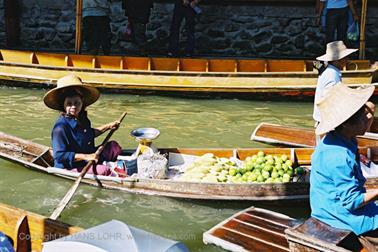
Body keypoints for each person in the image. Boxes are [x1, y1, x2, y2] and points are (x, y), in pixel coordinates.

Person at [311, 83, 378, 251]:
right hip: (338, 216)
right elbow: (352, 202)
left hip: (328, 205)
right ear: (347, 124)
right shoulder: (338, 156)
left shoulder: (340, 138)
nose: (368, 121)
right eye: (363, 119)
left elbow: (370, 107)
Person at [43, 75, 124, 176]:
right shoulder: (60, 128)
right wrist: (86, 156)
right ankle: (113, 172)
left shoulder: (83, 119)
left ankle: (111, 165)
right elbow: (59, 156)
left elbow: (89, 134)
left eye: (77, 103)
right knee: (104, 170)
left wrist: (108, 126)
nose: (73, 106)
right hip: (70, 167)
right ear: (63, 105)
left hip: (88, 158)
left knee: (113, 146)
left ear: (82, 103)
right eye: (69, 103)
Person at [313, 40, 358, 124]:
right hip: (326, 121)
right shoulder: (332, 74)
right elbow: (330, 100)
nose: (347, 60)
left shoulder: (329, 70)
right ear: (337, 60)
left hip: (323, 119)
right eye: (345, 57)